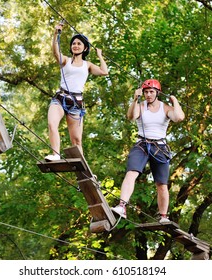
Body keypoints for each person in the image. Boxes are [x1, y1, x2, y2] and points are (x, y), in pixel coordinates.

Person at [111, 79, 185, 223]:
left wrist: (175, 101)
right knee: (131, 173)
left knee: (162, 184)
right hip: (142, 144)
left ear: (157, 93)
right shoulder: (140, 106)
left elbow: (179, 117)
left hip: (160, 147)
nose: (148, 95)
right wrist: (135, 99)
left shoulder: (165, 108)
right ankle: (122, 206)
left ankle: (163, 216)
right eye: (146, 92)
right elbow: (131, 117)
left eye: (151, 92)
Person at [45, 23, 109, 161]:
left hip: (76, 103)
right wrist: (56, 34)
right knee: (52, 124)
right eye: (73, 43)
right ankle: (55, 154)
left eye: (79, 44)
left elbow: (104, 72)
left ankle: (83, 171)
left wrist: (100, 55)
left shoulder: (88, 65)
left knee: (77, 140)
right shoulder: (66, 61)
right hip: (60, 98)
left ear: (85, 48)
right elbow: (55, 52)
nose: (75, 45)